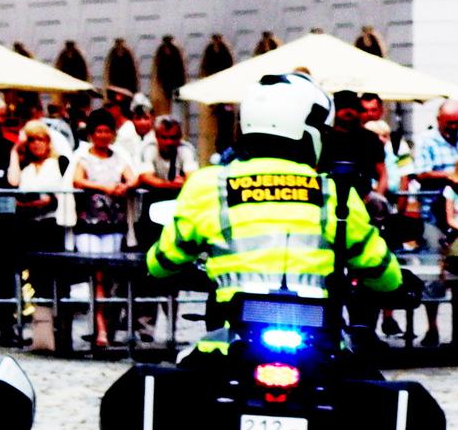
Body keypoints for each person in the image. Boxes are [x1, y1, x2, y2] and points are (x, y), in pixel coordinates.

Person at [143, 70, 405, 355]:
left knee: (183, 380)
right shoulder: (335, 192)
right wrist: (396, 284)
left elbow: (161, 262)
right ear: (310, 131)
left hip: (235, 336)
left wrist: (163, 266)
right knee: (362, 386)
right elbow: (382, 271)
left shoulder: (209, 185)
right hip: (318, 339)